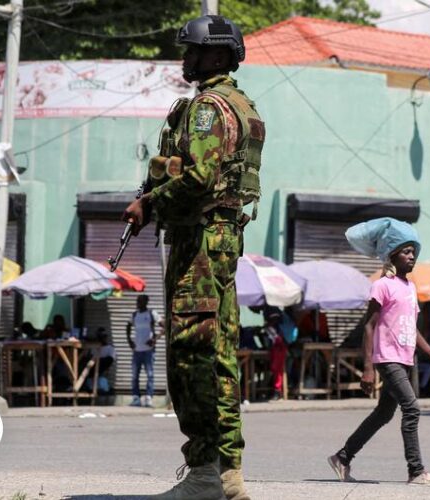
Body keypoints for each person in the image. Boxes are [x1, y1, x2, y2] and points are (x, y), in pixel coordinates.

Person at [123, 14, 264, 500]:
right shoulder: (241, 104)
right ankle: (228, 476)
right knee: (220, 354)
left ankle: (205, 472)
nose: (186, 59)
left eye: (194, 51)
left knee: (191, 356)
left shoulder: (207, 107)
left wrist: (150, 202)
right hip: (222, 238)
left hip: (199, 241)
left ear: (220, 56)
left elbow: (200, 177)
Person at [328, 218, 430, 486]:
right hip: (387, 358)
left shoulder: (410, 288)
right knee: (412, 408)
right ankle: (416, 471)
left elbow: (412, 329)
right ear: (392, 254)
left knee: (383, 414)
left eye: (413, 252)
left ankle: (343, 457)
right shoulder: (382, 285)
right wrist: (368, 368)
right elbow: (369, 327)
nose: (412, 256)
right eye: (406, 251)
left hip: (405, 359)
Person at [126, 294, 161, 408]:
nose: (138, 303)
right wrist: (129, 341)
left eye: (140, 301)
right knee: (134, 375)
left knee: (150, 375)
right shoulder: (135, 315)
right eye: (137, 301)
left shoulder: (151, 314)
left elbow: (164, 325)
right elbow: (128, 326)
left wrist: (155, 338)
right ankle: (136, 398)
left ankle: (148, 398)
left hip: (148, 351)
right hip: (137, 350)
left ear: (145, 302)